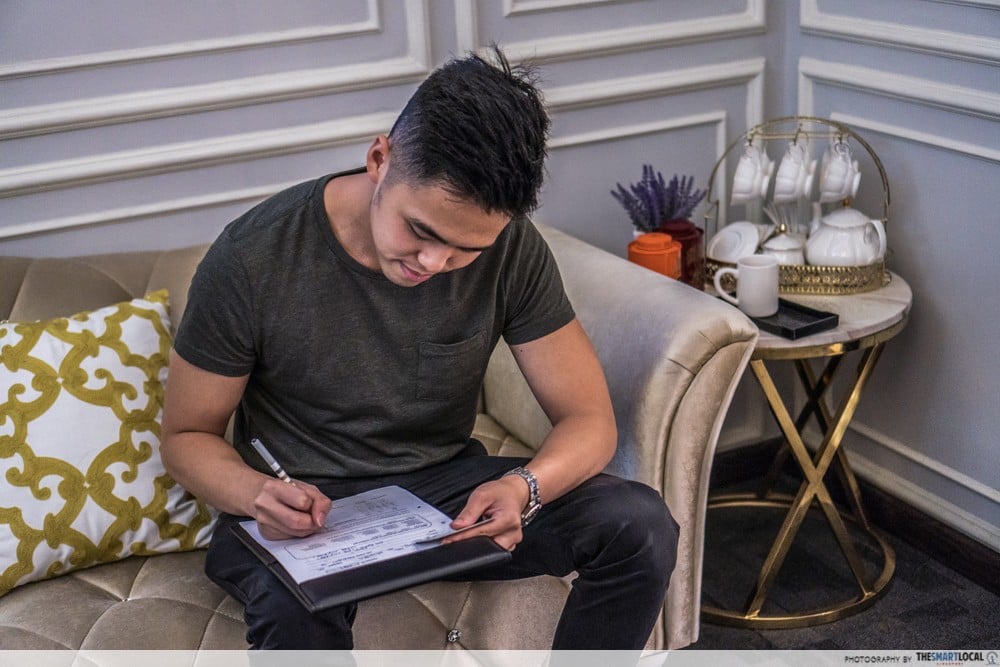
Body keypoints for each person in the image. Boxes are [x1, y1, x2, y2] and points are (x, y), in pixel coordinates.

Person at [161, 45, 678, 651]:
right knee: (292, 609)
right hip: (304, 504)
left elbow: (589, 421)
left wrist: (524, 487)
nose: (433, 263)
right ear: (379, 160)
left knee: (639, 526)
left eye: (466, 250)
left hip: (442, 495)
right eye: (420, 231)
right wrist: (257, 495)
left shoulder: (513, 249)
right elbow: (186, 438)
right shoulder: (252, 257)